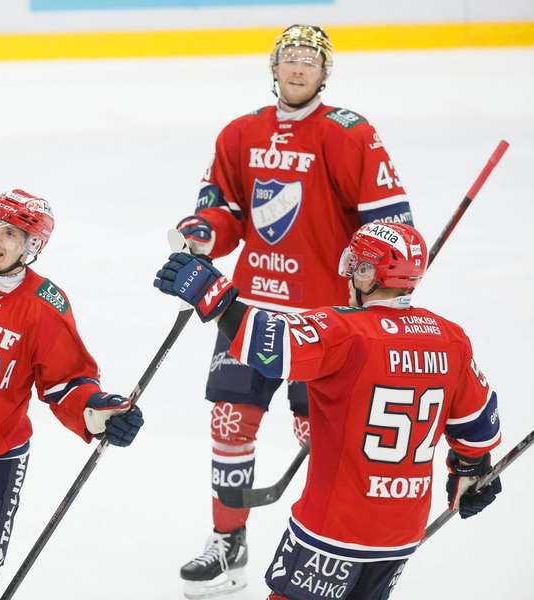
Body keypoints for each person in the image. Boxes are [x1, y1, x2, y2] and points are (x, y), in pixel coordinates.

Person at [171, 23, 414, 597]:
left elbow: (390, 220)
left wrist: (384, 274)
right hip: (250, 306)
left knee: (321, 432)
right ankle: (227, 544)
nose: (299, 69)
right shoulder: (240, 133)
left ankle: (326, 538)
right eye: (290, 59)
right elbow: (225, 211)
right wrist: (205, 233)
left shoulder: (350, 134)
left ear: (325, 72)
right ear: (273, 67)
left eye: (310, 61)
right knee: (231, 422)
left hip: (326, 318)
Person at [154, 222, 502, 600]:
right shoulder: (449, 337)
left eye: (358, 265)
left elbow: (269, 347)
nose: (350, 274)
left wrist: (211, 293)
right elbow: (477, 430)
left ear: (371, 273)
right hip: (400, 533)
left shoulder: (344, 330)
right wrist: (470, 473)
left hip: (333, 530)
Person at [0, 189, 145, 600]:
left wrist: (96, 412)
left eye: (13, 234)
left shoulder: (43, 306)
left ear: (33, 246)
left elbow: (66, 382)